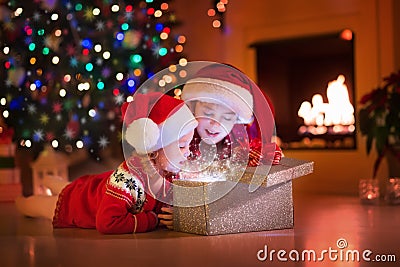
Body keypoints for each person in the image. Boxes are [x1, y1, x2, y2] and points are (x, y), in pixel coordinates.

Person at [15, 92, 198, 234]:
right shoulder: (129, 179)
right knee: (38, 205)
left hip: (94, 188)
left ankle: (54, 182)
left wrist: (180, 216)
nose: (188, 152)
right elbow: (107, 222)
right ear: (154, 147)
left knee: (72, 188)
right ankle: (20, 201)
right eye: (182, 145)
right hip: (79, 206)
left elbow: (172, 202)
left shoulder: (170, 172)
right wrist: (150, 220)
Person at [181, 63, 282, 167]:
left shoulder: (240, 149)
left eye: (227, 118)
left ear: (237, 120)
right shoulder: (178, 139)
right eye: (208, 113)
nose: (216, 124)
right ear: (193, 108)